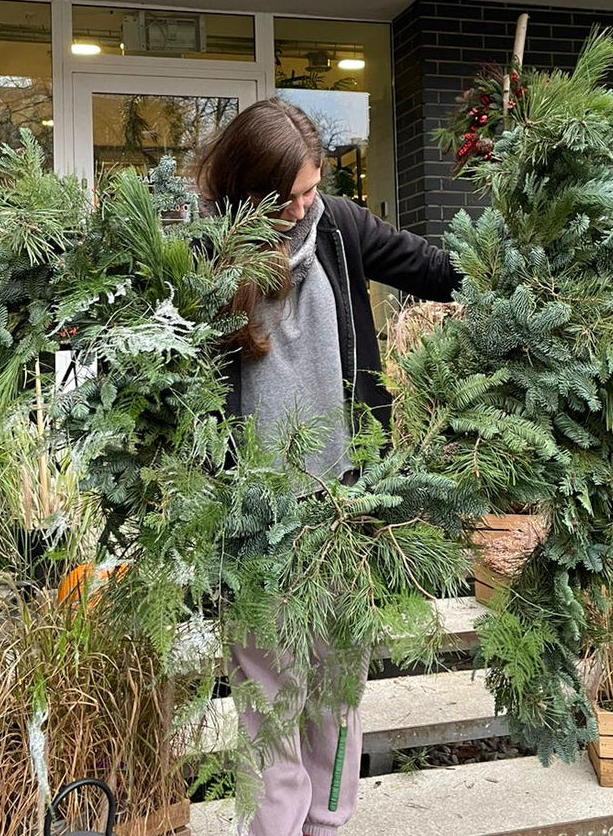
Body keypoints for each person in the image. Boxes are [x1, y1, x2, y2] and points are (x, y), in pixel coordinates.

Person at [194, 97, 461, 836]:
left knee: (337, 692)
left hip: (342, 510)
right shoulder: (204, 257)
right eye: (291, 197)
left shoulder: (340, 230)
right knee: (269, 703)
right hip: (252, 524)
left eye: (312, 190)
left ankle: (328, 825)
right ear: (250, 192)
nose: (305, 207)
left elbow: (432, 267)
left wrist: (516, 261)